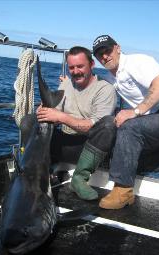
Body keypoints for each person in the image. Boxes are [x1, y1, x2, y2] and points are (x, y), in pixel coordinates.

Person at [92, 35, 159, 210]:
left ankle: (123, 191)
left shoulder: (136, 62)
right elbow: (92, 82)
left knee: (129, 127)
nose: (105, 56)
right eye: (99, 54)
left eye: (107, 51)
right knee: (124, 157)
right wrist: (70, 83)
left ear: (117, 48)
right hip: (153, 120)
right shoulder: (111, 78)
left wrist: (135, 111)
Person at [36, 46, 117, 200]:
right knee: (30, 123)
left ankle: (79, 178)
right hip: (65, 144)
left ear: (92, 65)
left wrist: (61, 117)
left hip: (88, 149)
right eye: (71, 67)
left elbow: (96, 128)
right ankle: (39, 172)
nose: (75, 71)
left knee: (107, 125)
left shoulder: (105, 89)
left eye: (80, 66)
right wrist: (44, 112)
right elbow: (55, 112)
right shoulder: (66, 84)